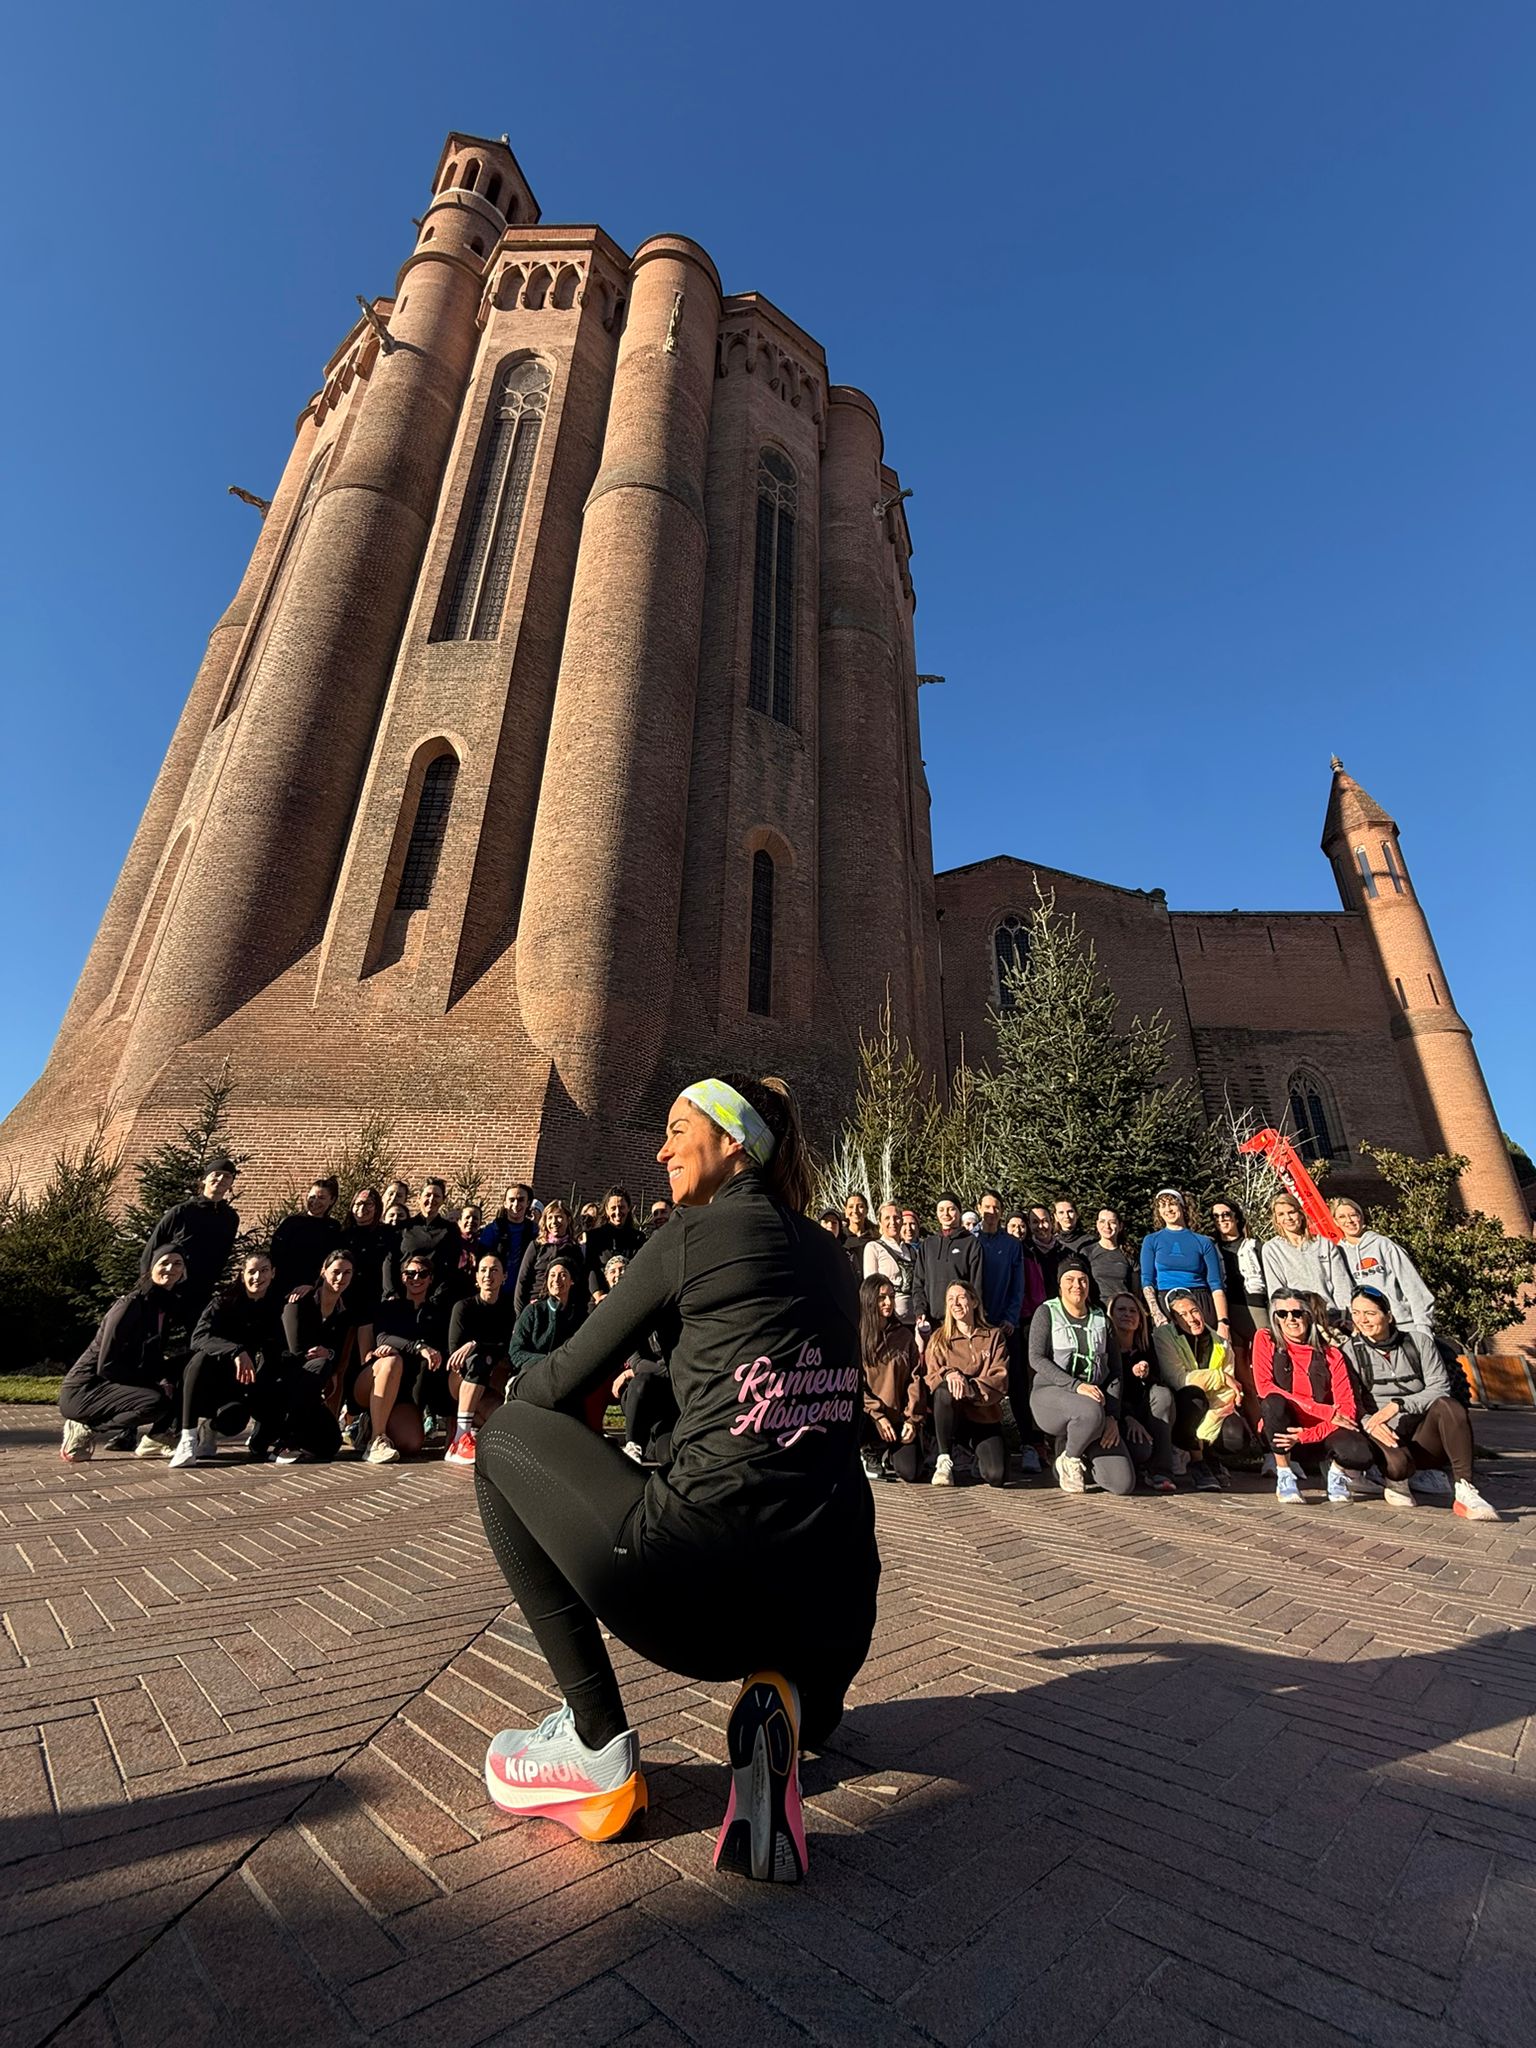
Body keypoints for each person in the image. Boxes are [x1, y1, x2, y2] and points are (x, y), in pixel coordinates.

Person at [473, 1074, 875, 1885]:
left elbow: (556, 1383)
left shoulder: (689, 1236)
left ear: (732, 1144)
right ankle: (790, 1705)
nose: (660, 1149)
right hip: (834, 1608)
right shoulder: (833, 1256)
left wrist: (560, 1419)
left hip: (699, 1587)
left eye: (676, 1129)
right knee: (798, 1523)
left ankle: (595, 1748)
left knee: (506, 1440)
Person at [1347, 1288, 1497, 1519]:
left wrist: (1398, 1404)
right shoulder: (1350, 1351)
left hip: (1422, 1432)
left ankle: (1465, 1489)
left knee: (1449, 1406)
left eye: (1370, 1313)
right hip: (1383, 1432)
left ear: (1388, 1316)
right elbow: (1351, 1402)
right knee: (1398, 1468)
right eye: (1356, 1313)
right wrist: (1371, 1424)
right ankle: (1391, 1474)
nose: (1362, 1320)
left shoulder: (1418, 1342)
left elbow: (1440, 1388)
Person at [59, 1249, 191, 1462]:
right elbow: (107, 1365)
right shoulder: (131, 1304)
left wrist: (164, 1377)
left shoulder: (163, 1306)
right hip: (87, 1388)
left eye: (178, 1263)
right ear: (151, 1268)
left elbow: (152, 1356)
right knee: (154, 1401)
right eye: (164, 1262)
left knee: (187, 1365)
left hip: (120, 1379)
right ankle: (85, 1427)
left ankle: (156, 1439)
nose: (171, 1269)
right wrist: (154, 1385)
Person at [1251, 1291, 1374, 1504]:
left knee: (1359, 1453)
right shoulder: (1266, 1339)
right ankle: (1285, 1474)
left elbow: (1346, 1409)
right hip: (1284, 1429)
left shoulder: (1332, 1355)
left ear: (1308, 1315)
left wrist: (1306, 1435)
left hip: (1319, 1432)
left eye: (1297, 1313)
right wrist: (1323, 1410)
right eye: (1282, 1313)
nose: (1290, 1319)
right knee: (1273, 1402)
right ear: (1275, 1318)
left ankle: (1337, 1473)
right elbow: (1264, 1387)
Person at [1027, 1259, 1135, 1496]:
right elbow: (1036, 1358)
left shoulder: (1101, 1319)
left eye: (1082, 1280)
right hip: (1051, 1395)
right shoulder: (1047, 1312)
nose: (1077, 1285)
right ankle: (1070, 1458)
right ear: (1060, 1284)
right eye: (1070, 1279)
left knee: (1122, 1483)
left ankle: (1079, 1446)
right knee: (1088, 1409)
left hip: (1094, 1405)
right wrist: (1076, 1386)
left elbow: (1115, 1371)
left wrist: (1113, 1417)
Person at [170, 1249, 286, 1468]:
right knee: (199, 1360)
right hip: (207, 1376)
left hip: (239, 1379)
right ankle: (188, 1438)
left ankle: (210, 1428)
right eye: (252, 1271)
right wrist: (236, 1351)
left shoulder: (274, 1307)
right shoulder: (223, 1301)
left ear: (273, 1273)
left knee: (234, 1422)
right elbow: (199, 1338)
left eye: (264, 1271)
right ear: (242, 1274)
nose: (257, 1277)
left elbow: (277, 1349)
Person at [1152, 1288, 1248, 1492]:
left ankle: (1206, 1452)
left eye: (1194, 1311)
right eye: (1182, 1315)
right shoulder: (1163, 1336)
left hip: (1213, 1406)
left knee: (1235, 1436)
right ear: (1174, 1319)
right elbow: (1179, 1379)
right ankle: (1198, 1462)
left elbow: (1228, 1389)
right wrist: (1219, 1377)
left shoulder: (1220, 1342)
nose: (1191, 1319)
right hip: (1181, 1404)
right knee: (1193, 1395)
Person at [268, 1247, 356, 1462]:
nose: (341, 1277)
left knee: (330, 1444)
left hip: (310, 1388)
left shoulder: (343, 1313)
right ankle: (285, 1442)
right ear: (323, 1271)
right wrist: (326, 1355)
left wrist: (329, 1352)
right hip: (281, 1378)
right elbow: (296, 1350)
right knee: (321, 1365)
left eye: (347, 1273)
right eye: (336, 1271)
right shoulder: (300, 1300)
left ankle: (284, 1439)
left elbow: (336, 1353)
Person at [922, 1280, 1008, 1488]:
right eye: (950, 1299)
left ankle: (973, 1454)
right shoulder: (938, 1338)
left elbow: (1000, 1378)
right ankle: (944, 1459)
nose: (956, 1303)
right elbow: (930, 1377)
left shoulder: (994, 1336)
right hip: (953, 1416)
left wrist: (970, 1386)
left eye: (961, 1297)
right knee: (944, 1389)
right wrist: (950, 1373)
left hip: (983, 1414)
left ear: (974, 1302)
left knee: (997, 1476)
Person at [372, 1251, 454, 1452]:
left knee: (411, 1444)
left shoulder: (439, 1312)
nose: (416, 1278)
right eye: (410, 1274)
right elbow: (382, 1337)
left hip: (419, 1388)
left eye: (423, 1274)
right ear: (402, 1277)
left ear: (431, 1279)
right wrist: (418, 1347)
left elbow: (446, 1345)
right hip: (392, 1383)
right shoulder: (390, 1308)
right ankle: (373, 1428)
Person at [139, 1158, 241, 1320]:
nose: (221, 1179)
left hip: (201, 1290)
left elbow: (223, 1254)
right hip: (170, 1285)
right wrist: (147, 1286)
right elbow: (153, 1248)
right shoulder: (182, 1211)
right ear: (205, 1179)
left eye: (227, 1176)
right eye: (216, 1174)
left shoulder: (230, 1218)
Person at [443, 1251, 517, 1468]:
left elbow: (505, 1346)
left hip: (491, 1383)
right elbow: (455, 1354)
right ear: (476, 1277)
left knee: (501, 1421)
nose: (488, 1275)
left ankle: (476, 1427)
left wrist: (475, 1343)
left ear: (504, 1276)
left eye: (494, 1270)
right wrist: (477, 1348)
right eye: (483, 1270)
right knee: (479, 1360)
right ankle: (460, 1438)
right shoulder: (463, 1307)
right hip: (461, 1379)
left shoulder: (507, 1309)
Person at [1139, 1188, 1231, 1345]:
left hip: (1200, 1301)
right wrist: (1157, 1314)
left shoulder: (1203, 1242)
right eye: (1162, 1206)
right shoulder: (1152, 1240)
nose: (1167, 1209)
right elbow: (1147, 1281)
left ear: (1182, 1206)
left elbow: (1216, 1285)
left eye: (1172, 1204)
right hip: (1166, 1302)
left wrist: (1223, 1322)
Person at [857, 1275, 926, 1482]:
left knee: (910, 1471)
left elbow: (916, 1379)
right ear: (869, 1300)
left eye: (892, 1297)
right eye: (881, 1298)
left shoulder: (904, 1336)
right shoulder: (856, 1335)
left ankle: (889, 1454)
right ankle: (867, 1451)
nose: (889, 1303)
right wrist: (877, 1415)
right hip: (868, 1417)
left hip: (898, 1419)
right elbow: (853, 1383)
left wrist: (912, 1420)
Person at [1329, 1199, 1436, 1332]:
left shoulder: (1383, 1245)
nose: (1349, 1220)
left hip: (1402, 1324)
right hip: (1367, 1329)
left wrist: (1423, 1326)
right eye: (1342, 1217)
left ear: (1361, 1217)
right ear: (1335, 1221)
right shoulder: (1337, 1254)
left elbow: (1413, 1286)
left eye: (1353, 1215)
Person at [1108, 1293, 1177, 1492]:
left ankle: (1162, 1471)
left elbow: (1159, 1382)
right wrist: (1127, 1417)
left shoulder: (1146, 1347)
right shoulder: (1105, 1349)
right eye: (1121, 1310)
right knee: (1141, 1451)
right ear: (1111, 1315)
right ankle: (1135, 1466)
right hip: (1117, 1417)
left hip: (1147, 1415)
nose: (1127, 1314)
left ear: (1140, 1320)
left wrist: (1146, 1375)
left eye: (1133, 1311)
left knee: (1162, 1394)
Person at [1260, 1194, 1353, 1327]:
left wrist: (1345, 1316)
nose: (1288, 1218)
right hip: (1298, 1318)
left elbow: (1341, 1283)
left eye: (1292, 1212)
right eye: (1281, 1214)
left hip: (1331, 1315)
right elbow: (1277, 1291)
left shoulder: (1324, 1244)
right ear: (1276, 1220)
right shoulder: (1272, 1249)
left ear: (1301, 1214)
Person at [914, 1192, 984, 1330]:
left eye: (951, 1209)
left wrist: (975, 1316)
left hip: (961, 1320)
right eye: (941, 1210)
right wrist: (920, 1310)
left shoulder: (970, 1243)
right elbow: (918, 1282)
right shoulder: (928, 1244)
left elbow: (977, 1283)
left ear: (959, 1212)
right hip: (932, 1321)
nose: (945, 1213)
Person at [269, 1177, 343, 1300]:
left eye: (322, 1198)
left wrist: (313, 1284)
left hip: (315, 1290)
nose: (315, 1201)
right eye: (312, 1197)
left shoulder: (333, 1227)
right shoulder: (291, 1223)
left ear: (332, 1200)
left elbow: (332, 1261)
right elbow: (275, 1255)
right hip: (284, 1288)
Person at [393, 1179, 466, 1299]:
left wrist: (440, 1293)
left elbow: (452, 1266)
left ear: (443, 1200)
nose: (431, 1200)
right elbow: (391, 1261)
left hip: (435, 1295)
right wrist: (391, 1291)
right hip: (403, 1292)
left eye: (437, 1196)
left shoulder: (450, 1230)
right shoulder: (404, 1227)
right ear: (419, 1198)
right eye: (427, 1195)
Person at [513, 1200, 588, 1314]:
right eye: (550, 1218)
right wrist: (520, 1314)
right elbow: (522, 1280)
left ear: (568, 1219)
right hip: (536, 1306)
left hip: (564, 1309)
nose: (554, 1222)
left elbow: (580, 1283)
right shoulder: (537, 1246)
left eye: (559, 1217)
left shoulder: (574, 1250)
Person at [863, 1200, 918, 1325]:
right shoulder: (873, 1248)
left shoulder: (911, 1250)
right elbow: (871, 1288)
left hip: (915, 1320)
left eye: (896, 1218)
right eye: (887, 1218)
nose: (892, 1222)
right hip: (889, 1321)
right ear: (880, 1222)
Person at [584, 1188, 645, 1295]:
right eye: (613, 1208)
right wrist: (598, 1294)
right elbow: (591, 1268)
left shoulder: (638, 1238)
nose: (617, 1212)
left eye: (621, 1207)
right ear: (607, 1210)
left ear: (628, 1209)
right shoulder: (594, 1237)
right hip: (601, 1297)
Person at [482, 1184, 537, 1288]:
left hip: (524, 1288)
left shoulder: (535, 1231)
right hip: (495, 1288)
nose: (516, 1204)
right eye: (512, 1200)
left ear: (528, 1203)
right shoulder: (493, 1229)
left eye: (521, 1200)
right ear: (505, 1204)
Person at [1087, 1208, 1135, 1305]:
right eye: (1102, 1221)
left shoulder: (1129, 1254)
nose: (1107, 1226)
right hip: (1097, 1310)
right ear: (1097, 1224)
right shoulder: (1087, 1252)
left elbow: (1136, 1291)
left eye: (1112, 1222)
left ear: (1120, 1226)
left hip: (1123, 1309)